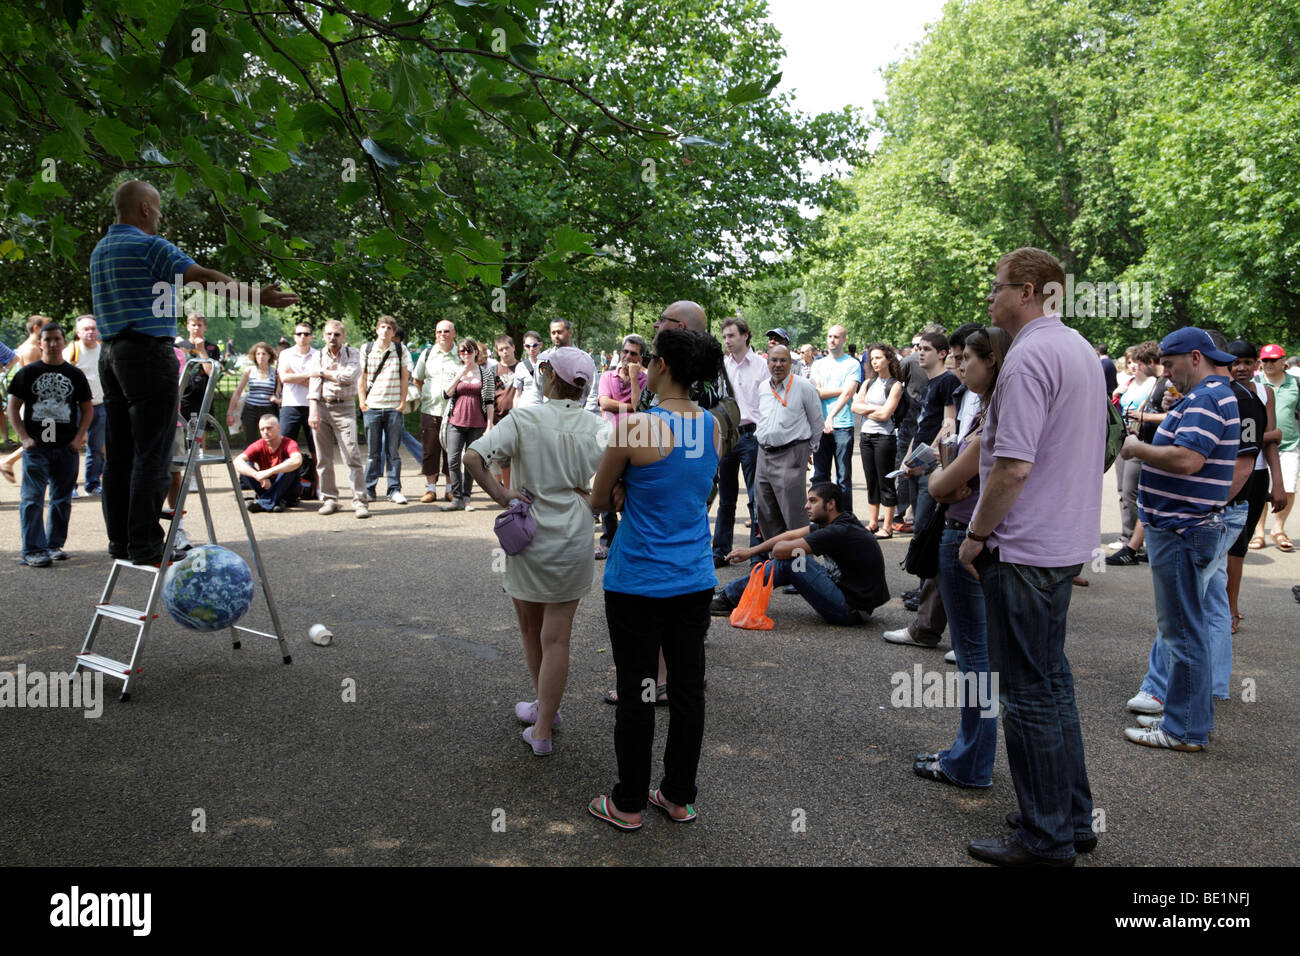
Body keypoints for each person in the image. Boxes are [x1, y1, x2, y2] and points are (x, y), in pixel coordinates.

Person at [958, 248, 1104, 866]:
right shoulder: (1077, 349)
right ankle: (1069, 819)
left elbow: (1014, 466)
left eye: (996, 288)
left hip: (1022, 549)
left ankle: (1046, 837)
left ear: (1027, 290)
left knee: (1028, 695)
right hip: (1061, 544)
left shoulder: (1027, 359)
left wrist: (975, 535)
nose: (989, 299)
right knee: (1053, 685)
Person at [90, 180, 297, 564]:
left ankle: (120, 541)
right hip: (147, 354)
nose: (161, 217)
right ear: (145, 210)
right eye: (159, 209)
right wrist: (256, 295)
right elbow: (202, 276)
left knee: (119, 455)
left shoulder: (101, 250)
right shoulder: (149, 246)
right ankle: (147, 544)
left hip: (111, 355)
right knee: (154, 452)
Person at [587, 328, 721, 830]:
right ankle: (678, 796)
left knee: (639, 689)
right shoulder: (711, 426)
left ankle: (627, 803)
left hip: (638, 578)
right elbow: (694, 487)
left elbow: (599, 501)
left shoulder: (635, 429)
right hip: (693, 577)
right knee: (688, 690)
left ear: (659, 366)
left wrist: (621, 486)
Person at [464, 347, 611, 756]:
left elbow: (472, 455)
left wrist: (501, 495)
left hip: (527, 534)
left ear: (547, 375)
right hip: (573, 536)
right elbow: (620, 484)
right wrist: (592, 498)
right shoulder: (598, 427)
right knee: (558, 638)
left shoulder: (525, 418)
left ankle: (544, 722)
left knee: (531, 629)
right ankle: (545, 718)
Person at [1119, 329, 1239, 752]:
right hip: (1189, 526)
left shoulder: (1207, 397)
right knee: (1189, 630)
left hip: (1182, 528)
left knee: (1182, 634)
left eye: (1169, 364)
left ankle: (1182, 729)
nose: (1166, 374)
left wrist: (1137, 448)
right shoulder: (1211, 394)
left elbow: (1188, 459)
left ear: (1194, 356)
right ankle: (1188, 724)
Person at [913, 326, 1011, 789]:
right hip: (976, 533)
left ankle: (971, 762)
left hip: (964, 534)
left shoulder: (994, 417)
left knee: (975, 659)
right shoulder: (992, 411)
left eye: (964, 359)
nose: (957, 368)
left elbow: (941, 485)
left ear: (990, 360)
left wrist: (939, 471)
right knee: (980, 656)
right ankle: (968, 753)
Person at [712, 482, 887, 624]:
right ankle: (728, 594)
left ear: (831, 504)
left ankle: (727, 597)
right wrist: (751, 551)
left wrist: (784, 549)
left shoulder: (836, 532)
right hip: (855, 603)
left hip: (850, 609)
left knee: (790, 562)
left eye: (813, 501)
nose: (806, 506)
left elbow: (781, 552)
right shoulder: (839, 521)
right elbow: (789, 535)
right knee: (794, 559)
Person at [7, 323, 93, 566]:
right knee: (33, 498)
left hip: (66, 447)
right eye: (48, 340)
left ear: (64, 342)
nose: (53, 344)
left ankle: (53, 544)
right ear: (40, 343)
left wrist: (78, 438)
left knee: (61, 499)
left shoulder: (75, 375)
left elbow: (87, 409)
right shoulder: (27, 373)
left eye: (57, 339)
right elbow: (12, 407)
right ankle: (33, 549)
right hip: (37, 448)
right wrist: (24, 437)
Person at [1225, 340, 1286, 628]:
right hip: (1230, 471)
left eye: (1248, 362)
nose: (1241, 368)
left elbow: (1269, 442)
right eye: (1235, 362)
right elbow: (1259, 437)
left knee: (1241, 546)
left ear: (1256, 365)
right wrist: (1270, 435)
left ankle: (1231, 608)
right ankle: (1225, 609)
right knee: (1228, 542)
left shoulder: (1265, 392)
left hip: (1258, 474)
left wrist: (1279, 484)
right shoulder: (1223, 392)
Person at [753, 344, 823, 542]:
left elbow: (817, 422)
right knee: (766, 512)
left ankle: (800, 567)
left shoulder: (803, 386)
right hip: (763, 454)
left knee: (794, 515)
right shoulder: (763, 387)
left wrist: (808, 450)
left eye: (783, 360)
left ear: (791, 364)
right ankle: (778, 563)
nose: (778, 364)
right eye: (774, 360)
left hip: (791, 454)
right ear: (767, 363)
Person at [712, 318, 766, 566]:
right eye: (724, 337)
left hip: (752, 435)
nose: (727, 341)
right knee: (726, 498)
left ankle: (757, 551)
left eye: (731, 336)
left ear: (746, 336)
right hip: (726, 436)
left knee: (756, 497)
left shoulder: (761, 365)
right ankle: (720, 550)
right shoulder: (721, 366)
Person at [307, 320, 368, 518]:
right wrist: (313, 411)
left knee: (352, 455)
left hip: (345, 406)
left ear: (344, 336)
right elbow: (314, 383)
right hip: (322, 406)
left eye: (337, 334)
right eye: (329, 334)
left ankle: (360, 501)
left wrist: (323, 373)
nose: (332, 338)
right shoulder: (317, 355)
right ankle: (329, 499)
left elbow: (349, 377)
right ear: (324, 336)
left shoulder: (353, 353)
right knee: (323, 457)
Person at [595, 334, 648, 559]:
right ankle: (608, 541)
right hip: (609, 440)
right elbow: (604, 402)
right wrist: (629, 407)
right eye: (625, 351)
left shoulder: (645, 380)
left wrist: (635, 379)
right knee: (606, 489)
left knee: (632, 492)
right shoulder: (608, 375)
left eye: (633, 354)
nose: (627, 357)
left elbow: (639, 406)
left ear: (641, 358)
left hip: (634, 443)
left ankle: (629, 542)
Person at [1107, 341, 1159, 564]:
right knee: (1122, 490)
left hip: (1141, 440)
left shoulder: (1154, 384)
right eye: (1131, 362)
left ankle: (1133, 541)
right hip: (1124, 439)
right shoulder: (1127, 383)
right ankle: (1127, 535)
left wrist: (1142, 417)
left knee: (1131, 491)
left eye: (1137, 362)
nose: (1133, 366)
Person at [357, 315, 412, 505]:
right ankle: (369, 489)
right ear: (377, 330)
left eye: (389, 328)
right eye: (382, 327)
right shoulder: (366, 348)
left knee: (393, 452)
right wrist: (362, 401)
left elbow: (405, 377)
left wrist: (402, 402)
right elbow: (361, 377)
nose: (386, 331)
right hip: (372, 407)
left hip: (393, 407)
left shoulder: (400, 349)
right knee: (373, 452)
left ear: (393, 332)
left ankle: (394, 489)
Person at [851, 343, 904, 537]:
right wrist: (876, 410)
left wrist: (868, 410)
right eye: (872, 358)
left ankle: (887, 526)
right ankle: (873, 522)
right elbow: (855, 408)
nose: (874, 362)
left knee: (886, 481)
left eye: (878, 358)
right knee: (871, 479)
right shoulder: (868, 383)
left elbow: (886, 415)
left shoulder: (895, 385)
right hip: (866, 436)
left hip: (884, 438)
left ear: (888, 359)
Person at [809, 324, 862, 512]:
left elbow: (849, 395)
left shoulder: (852, 364)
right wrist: (844, 388)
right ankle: (820, 517)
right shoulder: (818, 364)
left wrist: (831, 415)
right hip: (820, 426)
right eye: (830, 336)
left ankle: (844, 517)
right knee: (820, 476)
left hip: (842, 425)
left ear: (844, 340)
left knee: (843, 477)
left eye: (837, 337)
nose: (832, 340)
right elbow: (817, 393)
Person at [440, 337, 496, 511]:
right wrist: (460, 374)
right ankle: (456, 497)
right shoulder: (455, 371)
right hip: (455, 421)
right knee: (453, 459)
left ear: (475, 352)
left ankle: (466, 498)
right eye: (462, 351)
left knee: (470, 461)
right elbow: (446, 394)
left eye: (469, 350)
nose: (466, 354)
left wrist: (489, 424)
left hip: (477, 421)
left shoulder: (485, 373)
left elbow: (489, 400)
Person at [1252, 344, 1297, 550]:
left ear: (1283, 361)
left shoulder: (1295, 383)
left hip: (1289, 444)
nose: (1269, 364)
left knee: (1288, 488)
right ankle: (1258, 531)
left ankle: (1278, 529)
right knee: (1261, 489)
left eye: (1273, 360)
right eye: (1265, 360)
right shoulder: (1254, 383)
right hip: (1260, 444)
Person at [411, 319, 459, 502]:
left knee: (452, 452)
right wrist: (426, 395)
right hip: (430, 410)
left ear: (454, 333)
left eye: (446, 331)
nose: (442, 335)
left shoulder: (460, 354)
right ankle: (430, 489)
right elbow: (417, 378)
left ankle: (450, 489)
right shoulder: (427, 354)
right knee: (430, 450)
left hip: (454, 411)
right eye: (439, 332)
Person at [63, 315, 105, 496]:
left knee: (97, 448)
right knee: (72, 445)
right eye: (86, 329)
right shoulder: (71, 352)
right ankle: (70, 486)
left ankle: (93, 484)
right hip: (76, 407)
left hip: (100, 405)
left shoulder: (104, 350)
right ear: (78, 332)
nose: (91, 332)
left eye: (93, 328)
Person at [276, 321, 318, 492]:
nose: (303, 337)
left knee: (316, 449)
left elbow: (317, 381)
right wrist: (308, 376)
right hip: (290, 406)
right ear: (294, 336)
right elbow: (284, 378)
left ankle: (318, 486)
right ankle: (282, 486)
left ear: (311, 336)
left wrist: (296, 376)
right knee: (284, 447)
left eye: (306, 334)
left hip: (312, 405)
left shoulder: (318, 355)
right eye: (299, 333)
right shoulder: (286, 354)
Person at [234, 414, 304, 513]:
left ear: (279, 428)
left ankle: (264, 502)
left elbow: (297, 460)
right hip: (266, 485)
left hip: (287, 488)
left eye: (269, 428)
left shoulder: (289, 443)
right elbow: (237, 461)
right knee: (246, 466)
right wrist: (257, 475)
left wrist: (268, 472)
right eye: (262, 429)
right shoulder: (258, 445)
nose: (265, 432)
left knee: (289, 465)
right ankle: (275, 501)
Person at [227, 341, 279, 441]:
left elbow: (280, 392)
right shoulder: (250, 370)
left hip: (269, 410)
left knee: (270, 439)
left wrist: (276, 399)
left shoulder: (275, 373)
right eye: (258, 354)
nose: (261, 356)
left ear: (269, 356)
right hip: (251, 409)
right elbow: (238, 392)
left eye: (264, 354)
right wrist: (230, 412)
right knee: (250, 440)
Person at [513, 331, 545, 410]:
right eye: (528, 346)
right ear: (524, 346)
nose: (531, 349)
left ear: (540, 345)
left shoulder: (548, 363)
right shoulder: (520, 367)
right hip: (525, 410)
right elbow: (517, 394)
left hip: (543, 410)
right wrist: (514, 415)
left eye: (534, 345)